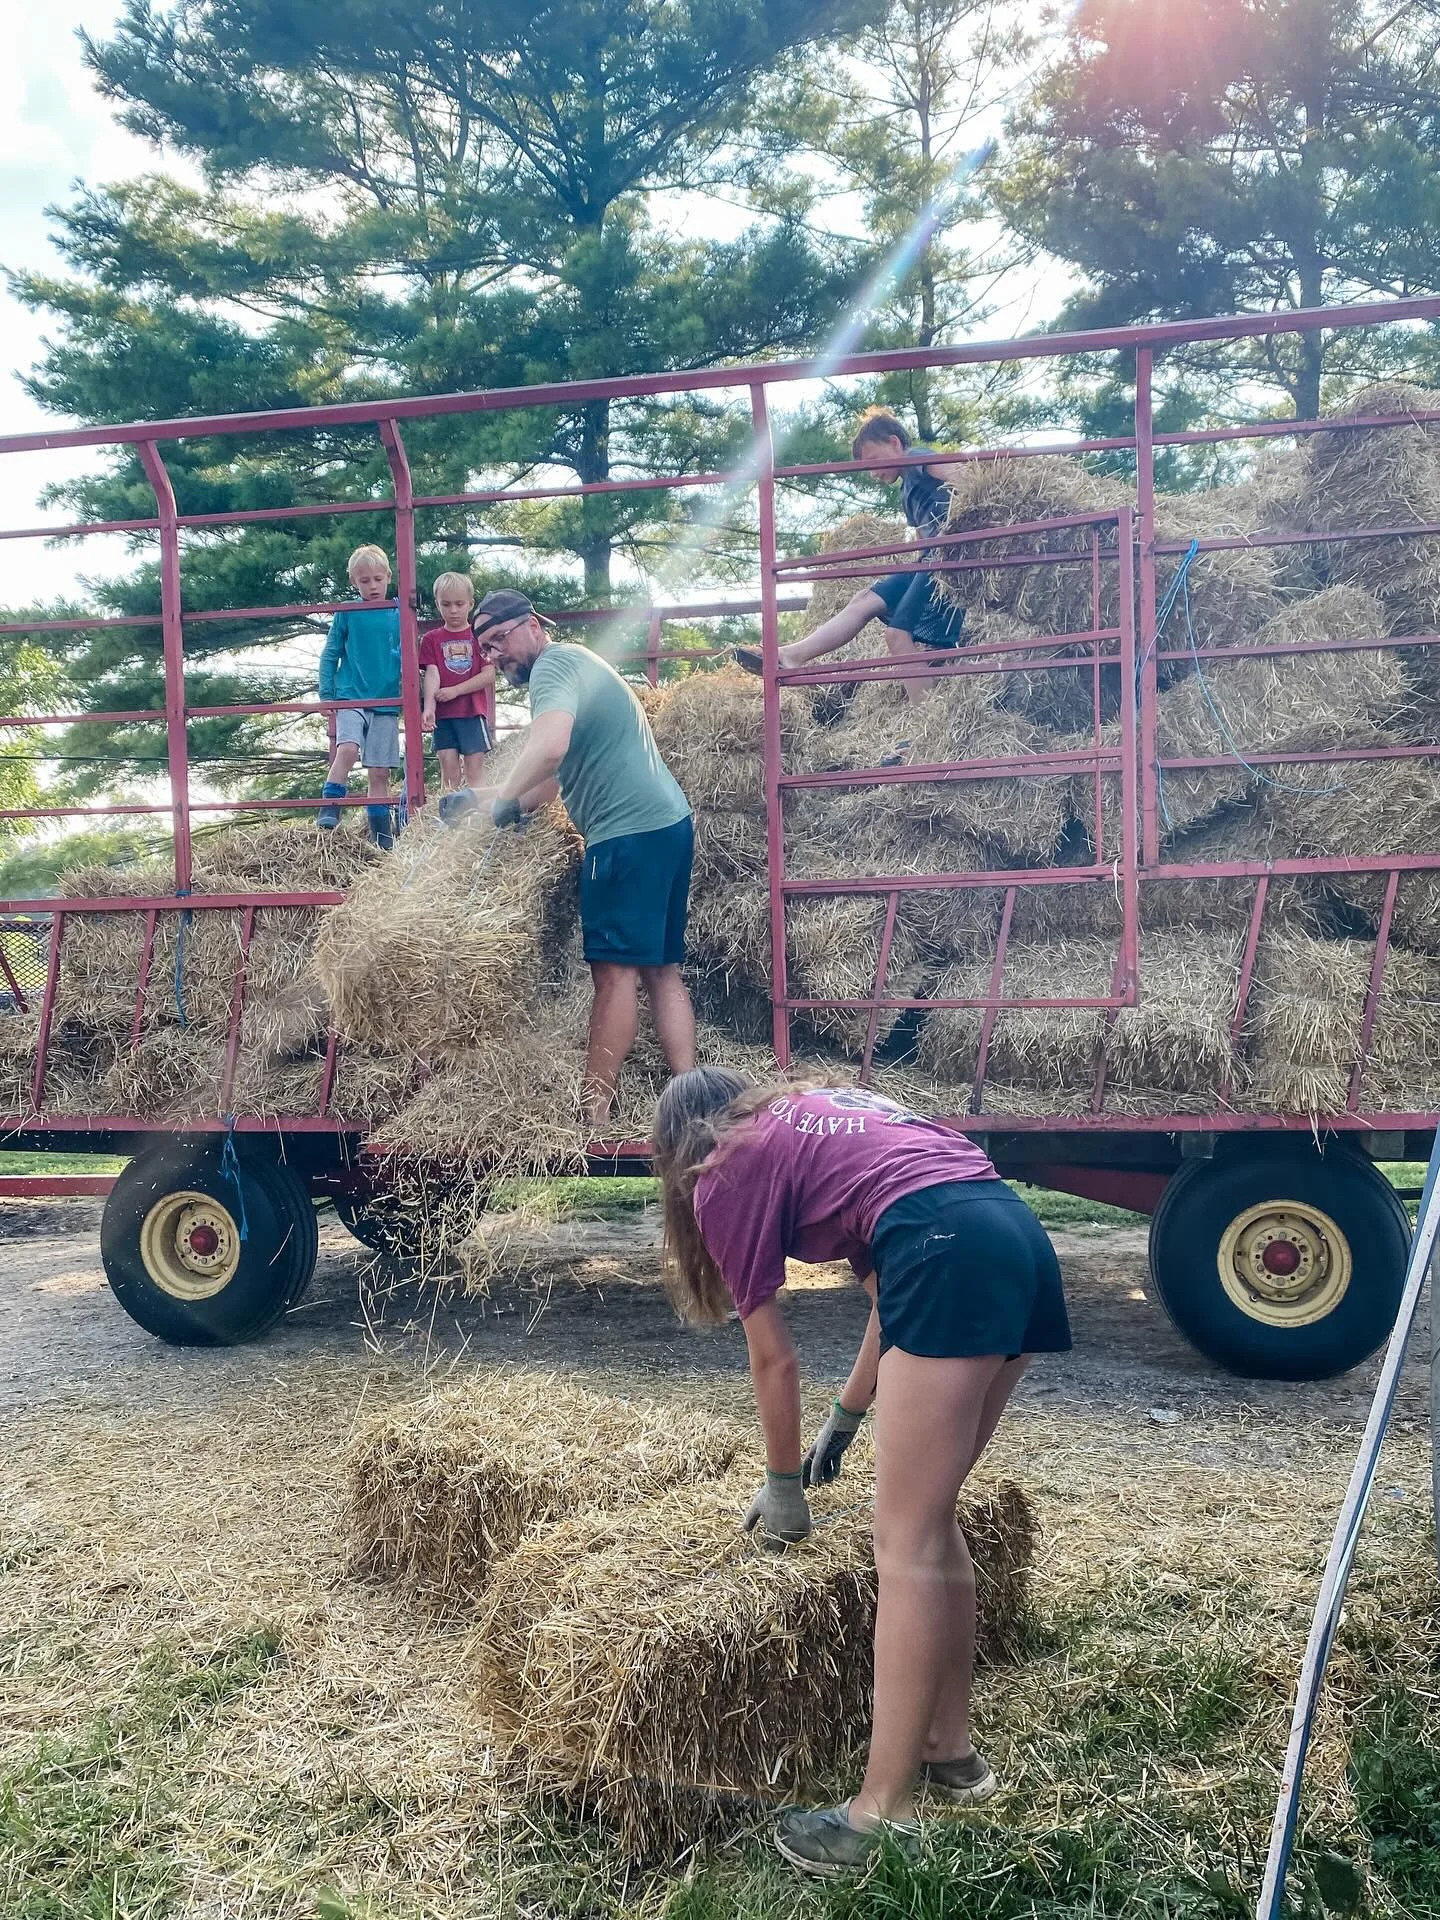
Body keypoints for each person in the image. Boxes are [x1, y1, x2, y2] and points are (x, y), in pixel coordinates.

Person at [651, 1068, 1070, 1878]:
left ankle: (879, 1816)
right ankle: (951, 1753)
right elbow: (887, 1299)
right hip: (1011, 1232)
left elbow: (774, 1360)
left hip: (946, 1245)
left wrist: (783, 1485)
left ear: (677, 1147)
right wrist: (846, 1418)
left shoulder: (722, 1164)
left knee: (903, 1545)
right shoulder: (814, 1119)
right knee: (931, 1522)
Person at [473, 589, 696, 1128]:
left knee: (614, 976)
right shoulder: (578, 663)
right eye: (485, 648)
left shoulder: (552, 667)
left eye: (500, 638)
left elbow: (549, 747)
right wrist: (494, 803)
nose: (496, 654)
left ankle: (591, 1117)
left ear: (532, 625)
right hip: (668, 825)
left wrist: (504, 795)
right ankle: (695, 1102)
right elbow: (556, 777)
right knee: (661, 971)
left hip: (624, 835)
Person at [735, 408, 965, 707]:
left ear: (894, 443)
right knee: (863, 600)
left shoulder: (918, 459)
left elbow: (966, 477)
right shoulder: (907, 489)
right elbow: (923, 541)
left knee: (897, 636)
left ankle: (930, 720)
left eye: (874, 461)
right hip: (929, 561)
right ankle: (790, 655)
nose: (873, 474)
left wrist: (964, 532)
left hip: (947, 559)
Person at [317, 544, 402, 848]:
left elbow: (409, 654)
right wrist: (326, 694)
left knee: (379, 771)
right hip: (351, 695)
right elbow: (331, 653)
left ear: (388, 576)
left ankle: (381, 836)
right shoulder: (348, 611)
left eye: (378, 579)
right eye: (365, 581)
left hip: (387, 701)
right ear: (354, 582)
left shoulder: (398, 612)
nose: (373, 586)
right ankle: (330, 807)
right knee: (348, 749)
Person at [419, 572, 496, 822]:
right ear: (437, 604)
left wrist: (456, 690)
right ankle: (450, 821)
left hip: (472, 713)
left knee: (474, 771)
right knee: (448, 770)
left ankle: (479, 820)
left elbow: (488, 675)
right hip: (444, 717)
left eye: (459, 604)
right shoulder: (431, 639)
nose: (453, 610)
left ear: (471, 604)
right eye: (446, 604)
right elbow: (432, 674)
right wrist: (429, 707)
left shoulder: (478, 636)